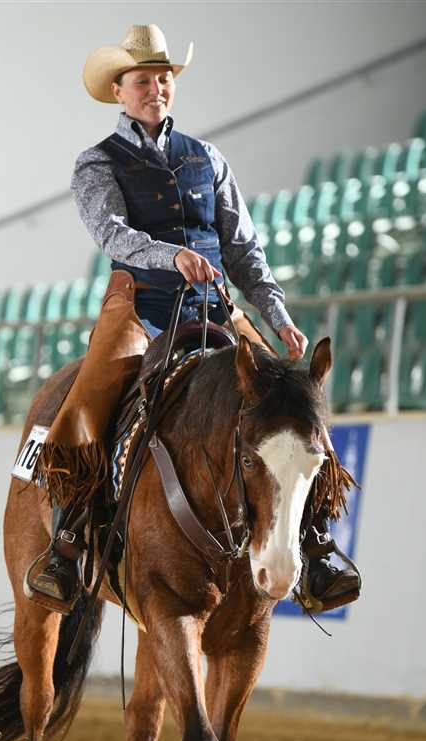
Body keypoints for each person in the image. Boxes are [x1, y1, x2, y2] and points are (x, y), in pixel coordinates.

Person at [28, 24, 360, 615]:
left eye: (163, 79)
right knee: (86, 403)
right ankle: (67, 543)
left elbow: (244, 251)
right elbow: (112, 233)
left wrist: (277, 315)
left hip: (216, 312)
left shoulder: (208, 158)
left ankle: (315, 546)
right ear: (118, 90)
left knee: (292, 409)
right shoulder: (97, 163)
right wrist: (172, 256)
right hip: (139, 310)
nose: (155, 89)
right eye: (142, 81)